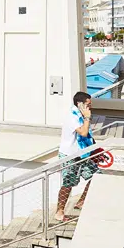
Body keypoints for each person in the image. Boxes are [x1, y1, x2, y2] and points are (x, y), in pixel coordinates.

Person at [55, 91, 96, 222]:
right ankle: (59, 211)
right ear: (80, 104)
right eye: (87, 105)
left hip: (83, 153)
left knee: (96, 176)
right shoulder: (73, 116)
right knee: (68, 183)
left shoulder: (81, 115)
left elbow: (88, 134)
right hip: (70, 155)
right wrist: (87, 117)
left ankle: (82, 201)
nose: (90, 107)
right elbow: (83, 132)